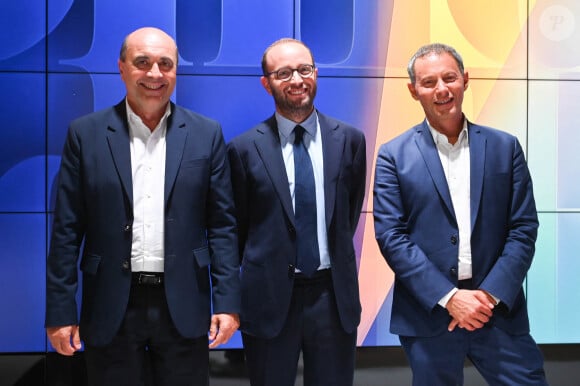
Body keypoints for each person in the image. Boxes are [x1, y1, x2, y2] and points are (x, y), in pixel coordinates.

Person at [45, 27, 241, 386]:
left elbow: (223, 227)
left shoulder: (206, 134)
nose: (155, 74)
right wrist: (60, 310)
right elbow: (66, 231)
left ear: (176, 71)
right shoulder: (85, 134)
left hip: (183, 301)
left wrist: (227, 302)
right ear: (121, 68)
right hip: (111, 303)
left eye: (165, 64)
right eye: (143, 62)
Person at [373, 42, 548, 385]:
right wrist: (450, 298)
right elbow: (392, 236)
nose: (441, 89)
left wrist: (486, 296)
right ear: (413, 90)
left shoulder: (504, 147)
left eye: (449, 78)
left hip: (495, 311)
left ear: (465, 80)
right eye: (429, 82)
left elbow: (523, 227)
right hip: (429, 313)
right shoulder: (393, 155)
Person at [227, 38, 367, 386]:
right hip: (269, 299)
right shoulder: (243, 149)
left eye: (304, 69)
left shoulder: (350, 140)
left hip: (332, 298)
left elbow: (347, 217)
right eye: (284, 72)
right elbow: (236, 230)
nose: (297, 80)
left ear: (316, 73)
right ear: (267, 82)